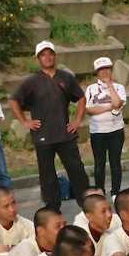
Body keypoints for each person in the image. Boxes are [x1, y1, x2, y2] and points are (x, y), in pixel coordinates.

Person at [10, 41, 91, 210]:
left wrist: (77, 120)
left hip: (65, 133)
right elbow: (14, 100)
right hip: (42, 135)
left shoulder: (66, 77)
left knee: (76, 169)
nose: (47, 57)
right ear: (38, 58)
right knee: (47, 174)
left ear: (54, 55)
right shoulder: (32, 81)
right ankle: (52, 208)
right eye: (43, 55)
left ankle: (86, 203)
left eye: (50, 53)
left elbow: (81, 98)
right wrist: (25, 121)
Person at [85, 57, 127, 196]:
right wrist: (109, 106)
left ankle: (115, 193)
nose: (104, 72)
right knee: (99, 164)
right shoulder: (91, 89)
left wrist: (110, 86)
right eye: (101, 70)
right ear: (96, 72)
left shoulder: (119, 88)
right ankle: (100, 191)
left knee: (115, 163)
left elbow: (118, 104)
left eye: (107, 69)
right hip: (97, 132)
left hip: (116, 130)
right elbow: (89, 109)